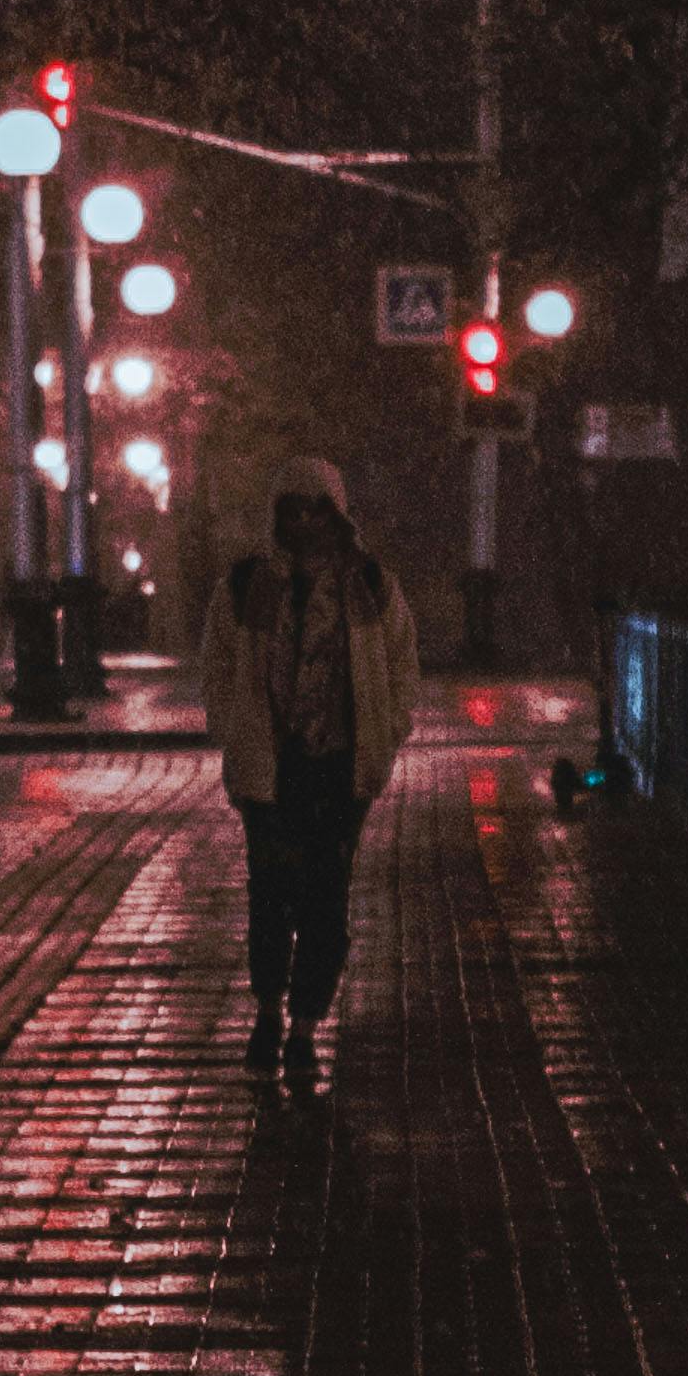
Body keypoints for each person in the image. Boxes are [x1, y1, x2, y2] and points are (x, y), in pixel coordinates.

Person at [201, 453, 420, 1095]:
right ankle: (268, 1015)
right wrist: (231, 727)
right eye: (291, 511)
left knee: (325, 900)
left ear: (336, 513)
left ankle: (303, 1028)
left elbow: (402, 664)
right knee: (270, 896)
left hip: (339, 767)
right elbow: (217, 661)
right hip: (270, 767)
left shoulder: (371, 586)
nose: (303, 523)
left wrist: (386, 732)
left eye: (315, 510)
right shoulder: (245, 586)